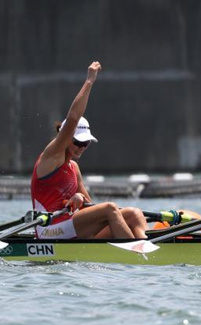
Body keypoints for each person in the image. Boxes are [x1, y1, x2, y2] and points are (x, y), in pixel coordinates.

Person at [30, 61, 146, 239]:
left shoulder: (74, 169)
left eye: (86, 144)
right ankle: (137, 254)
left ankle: (149, 247)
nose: (81, 148)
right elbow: (73, 118)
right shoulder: (51, 156)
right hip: (49, 230)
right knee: (109, 208)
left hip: (71, 227)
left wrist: (80, 198)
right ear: (66, 138)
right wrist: (89, 81)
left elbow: (91, 207)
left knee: (134, 213)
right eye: (78, 142)